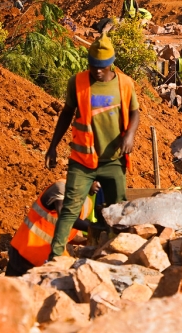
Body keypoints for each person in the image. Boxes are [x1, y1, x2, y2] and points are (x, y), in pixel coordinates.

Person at [45, 37, 140, 260]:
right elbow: (66, 114)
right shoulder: (77, 83)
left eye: (102, 67)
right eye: (93, 66)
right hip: (83, 160)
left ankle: (114, 254)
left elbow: (135, 112)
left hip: (114, 160)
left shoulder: (125, 84)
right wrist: (52, 146)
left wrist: (130, 135)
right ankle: (55, 256)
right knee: (70, 208)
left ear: (111, 63)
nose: (97, 72)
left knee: (118, 211)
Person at [6, 181, 103, 276]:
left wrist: (84, 241)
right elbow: (65, 217)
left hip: (47, 262)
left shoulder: (87, 203)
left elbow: (64, 232)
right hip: (25, 254)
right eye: (97, 181)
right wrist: (96, 229)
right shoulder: (61, 187)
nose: (99, 186)